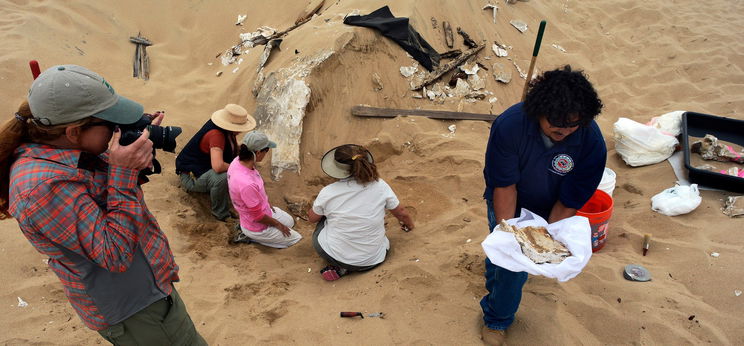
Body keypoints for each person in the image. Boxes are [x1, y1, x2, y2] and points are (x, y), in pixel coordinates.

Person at [0, 65, 206, 345]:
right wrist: (123, 173)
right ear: (73, 131)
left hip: (148, 290)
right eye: (111, 125)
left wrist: (133, 161)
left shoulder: (67, 152)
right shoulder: (40, 189)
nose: (116, 132)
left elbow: (97, 192)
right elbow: (114, 253)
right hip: (135, 309)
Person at [480, 65, 606, 345]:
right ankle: (497, 319)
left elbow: (570, 199)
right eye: (555, 125)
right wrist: (509, 232)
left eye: (572, 125)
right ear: (539, 111)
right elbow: (505, 185)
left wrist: (546, 238)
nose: (563, 131)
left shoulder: (591, 143)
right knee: (509, 260)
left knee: (514, 264)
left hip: (551, 205)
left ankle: (497, 289)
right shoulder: (509, 125)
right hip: (508, 199)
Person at [307, 144, 415, 281]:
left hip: (339, 257)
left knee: (321, 220)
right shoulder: (380, 185)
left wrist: (317, 209)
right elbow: (401, 213)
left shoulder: (328, 192)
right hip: (375, 258)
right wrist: (409, 225)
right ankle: (347, 266)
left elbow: (312, 218)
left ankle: (342, 266)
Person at [175, 104, 256, 221]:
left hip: (204, 167)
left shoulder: (225, 130)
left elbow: (231, 148)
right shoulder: (216, 135)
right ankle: (221, 213)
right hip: (191, 176)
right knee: (222, 177)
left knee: (241, 165)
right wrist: (241, 167)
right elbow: (218, 166)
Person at [226, 131, 302, 248]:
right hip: (257, 226)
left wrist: (266, 203)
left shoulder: (238, 161)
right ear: (258, 152)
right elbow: (258, 217)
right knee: (296, 239)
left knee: (290, 222)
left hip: (262, 210)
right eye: (266, 150)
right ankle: (251, 237)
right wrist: (278, 225)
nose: (267, 153)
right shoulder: (246, 184)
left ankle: (255, 233)